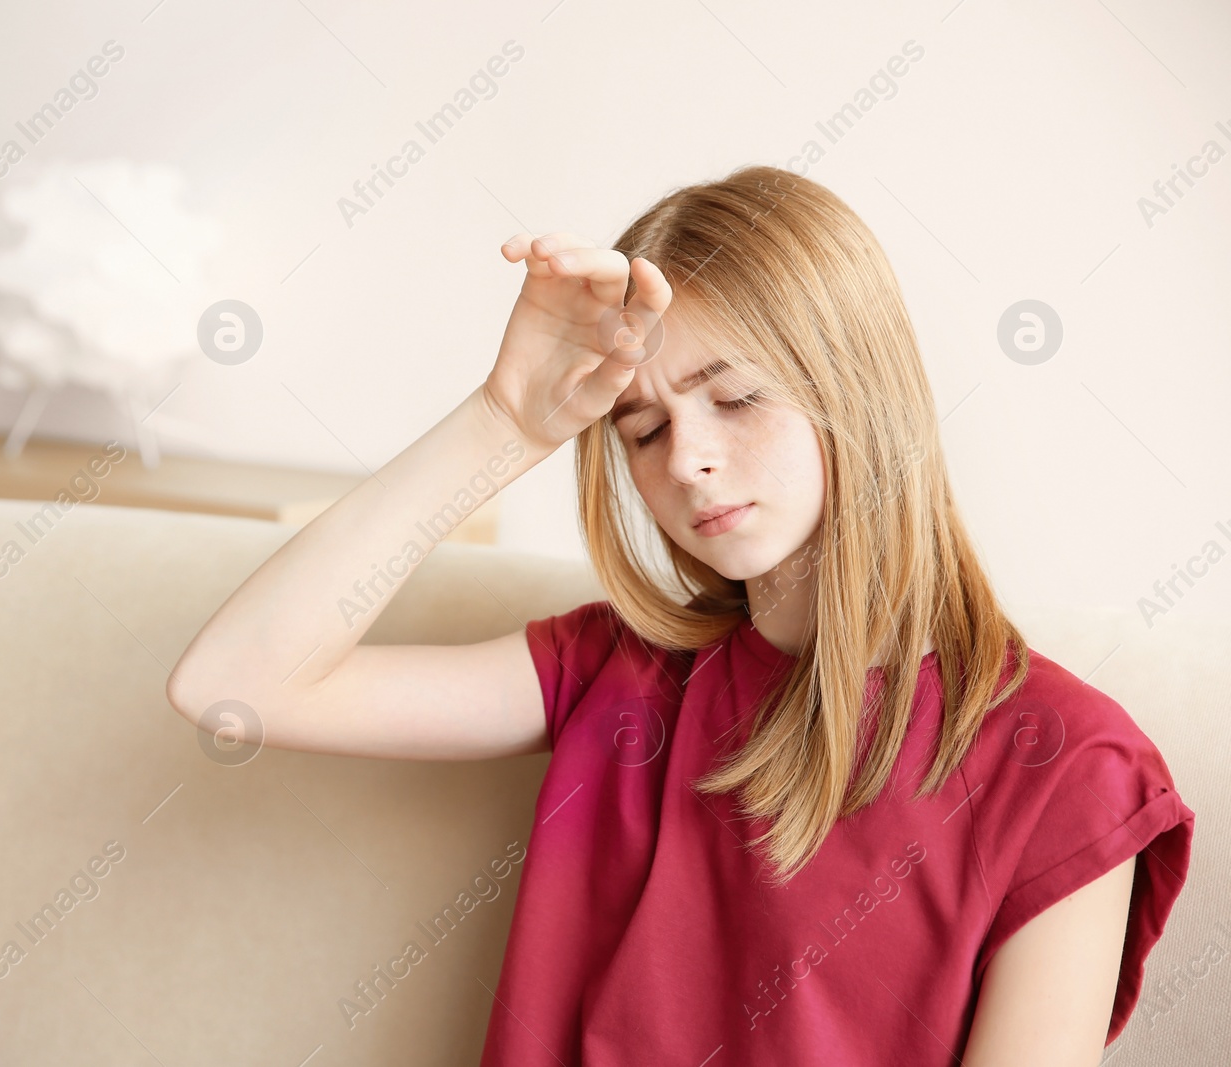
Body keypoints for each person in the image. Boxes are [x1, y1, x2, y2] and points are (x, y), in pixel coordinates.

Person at [166, 165, 1194, 1065]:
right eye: (643, 427)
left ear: (859, 388)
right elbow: (235, 686)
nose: (685, 460)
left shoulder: (1070, 766)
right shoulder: (615, 670)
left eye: (735, 396)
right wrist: (502, 420)